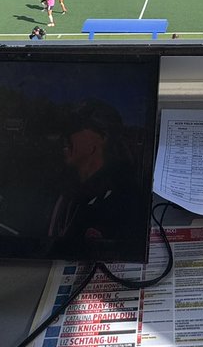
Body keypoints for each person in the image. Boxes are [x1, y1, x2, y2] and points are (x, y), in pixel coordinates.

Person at [47, 100, 143, 247]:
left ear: (102, 138)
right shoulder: (63, 191)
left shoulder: (124, 201)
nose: (64, 138)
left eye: (75, 128)